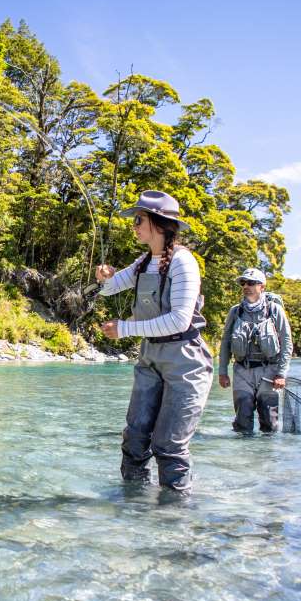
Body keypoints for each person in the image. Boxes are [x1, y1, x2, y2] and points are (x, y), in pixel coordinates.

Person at [95, 190, 213, 494]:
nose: (133, 226)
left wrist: (124, 329)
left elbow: (179, 321)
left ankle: (172, 519)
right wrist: (104, 277)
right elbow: (109, 289)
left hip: (185, 360)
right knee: (135, 438)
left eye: (139, 220)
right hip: (150, 357)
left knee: (169, 446)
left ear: (159, 224)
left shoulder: (183, 263)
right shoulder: (143, 262)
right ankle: (133, 507)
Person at [218, 267, 293, 433]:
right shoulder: (235, 311)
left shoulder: (275, 310)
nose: (246, 286)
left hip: (269, 371)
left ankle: (266, 456)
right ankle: (242, 458)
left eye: (251, 283)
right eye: (243, 283)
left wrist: (281, 373)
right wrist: (222, 371)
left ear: (262, 287)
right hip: (241, 371)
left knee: (269, 423)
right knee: (242, 420)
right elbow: (225, 342)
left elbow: (287, 342)